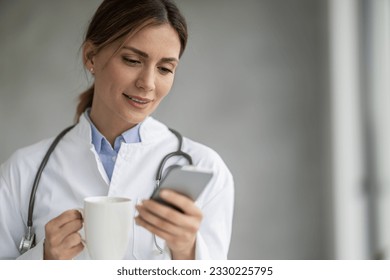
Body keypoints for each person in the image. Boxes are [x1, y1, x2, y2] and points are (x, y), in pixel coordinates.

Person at [0, 0, 234, 260]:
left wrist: (187, 252)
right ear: (91, 56)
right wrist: (43, 261)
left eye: (165, 69)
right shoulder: (24, 171)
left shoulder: (206, 168)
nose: (147, 83)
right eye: (132, 60)